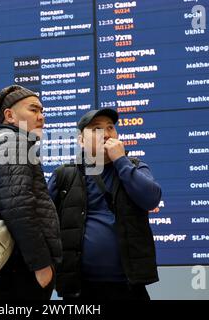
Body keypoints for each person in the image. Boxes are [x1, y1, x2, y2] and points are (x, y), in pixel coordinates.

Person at [48, 108, 161, 300]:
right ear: (81, 141)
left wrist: (120, 160)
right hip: (79, 287)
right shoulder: (64, 175)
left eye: (110, 127)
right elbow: (44, 219)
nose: (107, 134)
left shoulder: (134, 167)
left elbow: (151, 199)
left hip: (128, 285)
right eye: (97, 129)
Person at [0, 85, 62, 300]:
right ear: (9, 115)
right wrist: (40, 265)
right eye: (33, 110)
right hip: (16, 272)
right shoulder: (15, 143)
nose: (41, 117)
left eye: (42, 111)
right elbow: (18, 208)